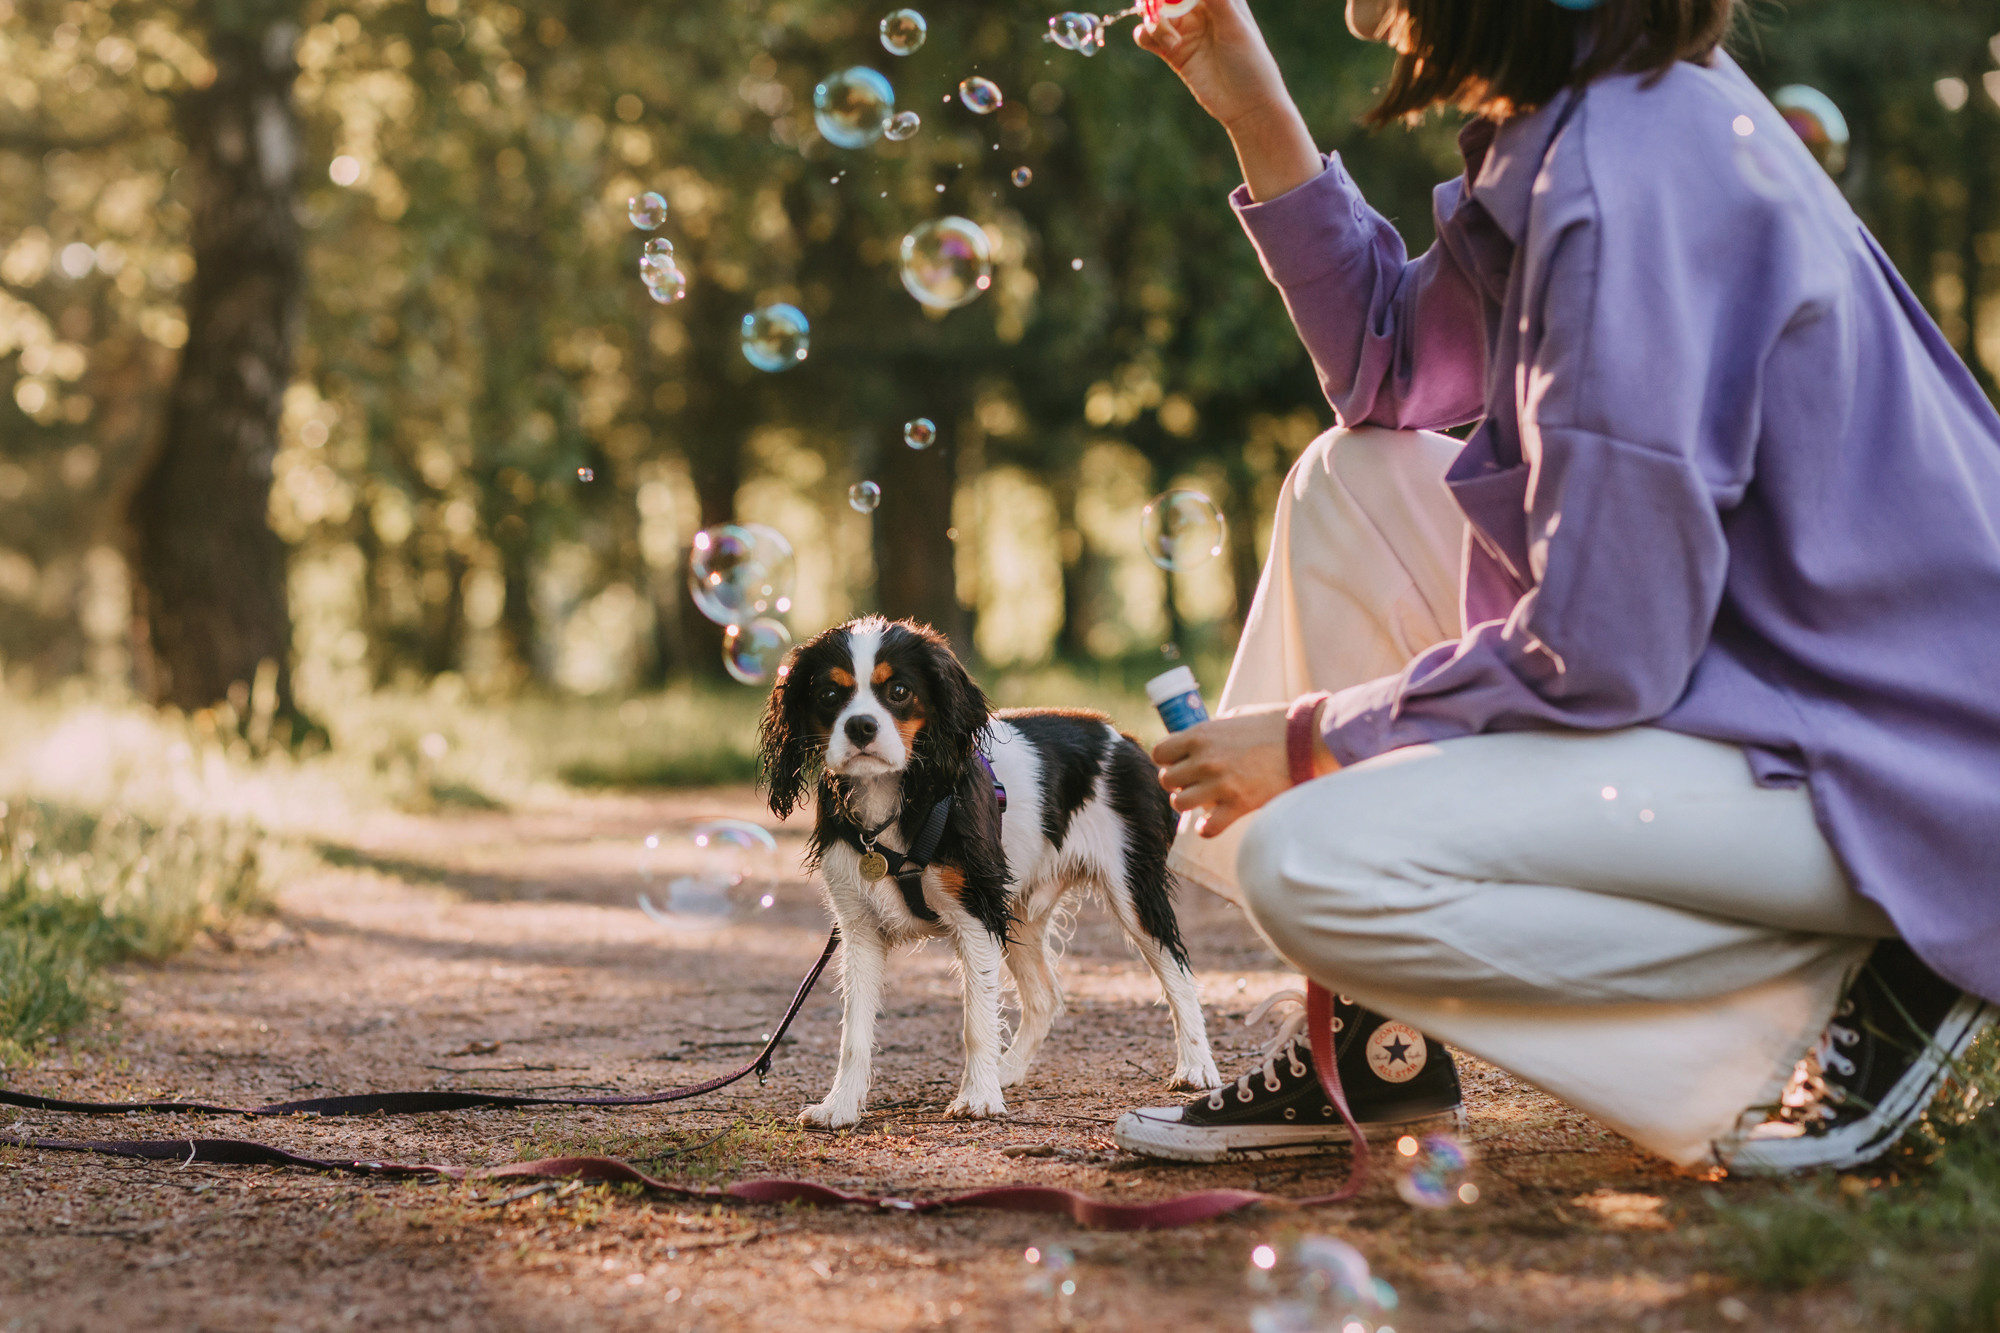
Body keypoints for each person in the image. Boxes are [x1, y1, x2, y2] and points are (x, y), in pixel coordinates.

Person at [1111, 0, 2000, 1174]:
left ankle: (1869, 993)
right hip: (1765, 676)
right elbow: (1389, 362)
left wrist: (1315, 739)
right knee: (1352, 479)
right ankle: (1383, 1057)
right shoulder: (1587, 112)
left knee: (1307, 863)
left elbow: (1603, 647)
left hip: (1896, 770)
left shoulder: (1614, 185)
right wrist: (1254, 109)